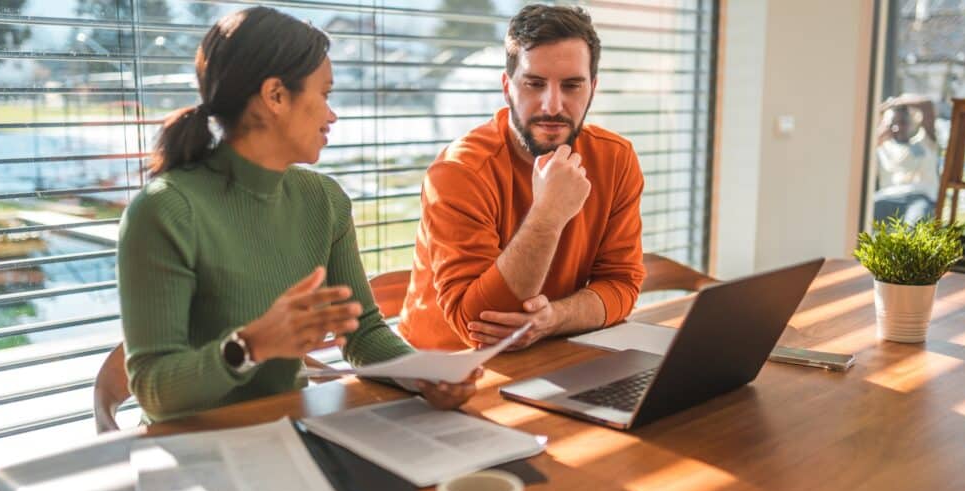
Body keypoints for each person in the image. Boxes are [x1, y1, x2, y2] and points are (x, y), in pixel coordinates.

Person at [118, 7, 475, 422]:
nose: (331, 115)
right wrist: (249, 346)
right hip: (195, 451)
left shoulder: (323, 200)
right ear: (275, 96)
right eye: (324, 95)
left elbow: (364, 335)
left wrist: (425, 375)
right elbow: (152, 388)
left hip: (291, 433)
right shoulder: (165, 210)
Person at [398, 4, 646, 351]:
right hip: (442, 372)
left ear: (593, 87)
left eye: (572, 85)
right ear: (507, 86)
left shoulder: (616, 159)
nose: (553, 105)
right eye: (534, 84)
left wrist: (553, 318)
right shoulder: (459, 171)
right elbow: (480, 325)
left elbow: (621, 285)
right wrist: (548, 216)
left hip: (545, 356)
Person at [874, 94, 940, 223]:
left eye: (903, 122)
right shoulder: (882, 148)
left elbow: (927, 105)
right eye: (894, 124)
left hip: (919, 198)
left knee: (915, 222)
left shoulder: (925, 142)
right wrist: (882, 128)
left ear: (912, 123)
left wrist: (893, 103)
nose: (898, 128)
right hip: (887, 197)